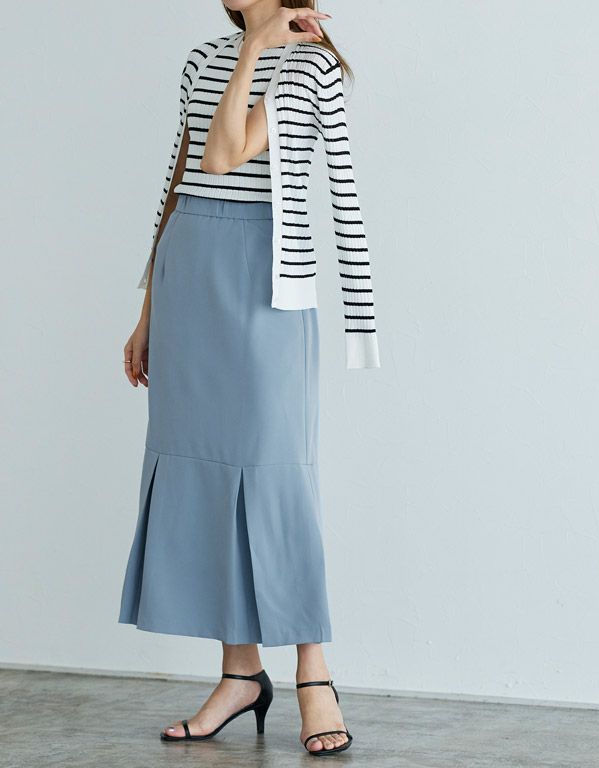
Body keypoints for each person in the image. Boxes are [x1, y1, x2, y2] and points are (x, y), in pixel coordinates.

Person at [119, 0, 380, 756]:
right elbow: (180, 179)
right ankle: (239, 674)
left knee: (274, 479)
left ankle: (314, 676)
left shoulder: (310, 62)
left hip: (267, 280)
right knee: (209, 478)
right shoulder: (203, 58)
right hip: (190, 272)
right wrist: (148, 309)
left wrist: (259, 49)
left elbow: (225, 154)